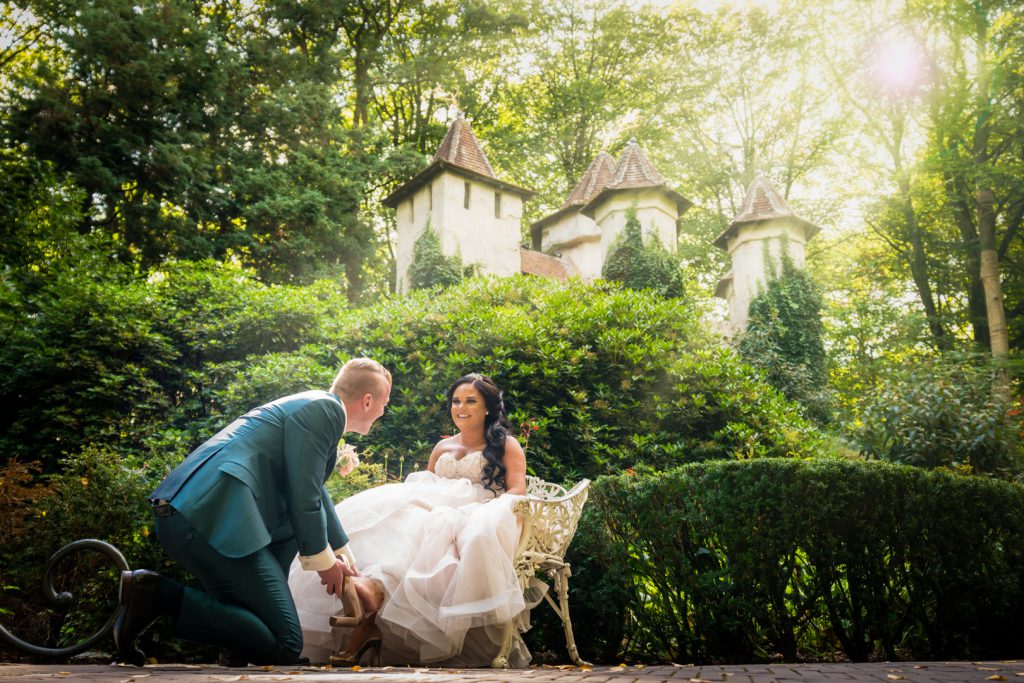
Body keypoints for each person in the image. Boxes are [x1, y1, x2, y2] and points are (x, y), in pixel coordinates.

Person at [113, 358, 392, 666]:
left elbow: (315, 491)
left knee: (267, 629)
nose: (383, 412)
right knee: (286, 644)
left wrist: (346, 560)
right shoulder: (324, 410)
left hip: (199, 518)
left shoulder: (314, 405)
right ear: (368, 401)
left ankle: (236, 646)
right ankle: (155, 595)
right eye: (385, 403)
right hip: (210, 518)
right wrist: (325, 564)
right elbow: (305, 495)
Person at [288, 373, 538, 667]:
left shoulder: (506, 445)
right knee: (402, 520)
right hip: (435, 509)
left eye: (471, 401)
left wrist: (479, 516)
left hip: (478, 513)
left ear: (488, 408)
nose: (461, 407)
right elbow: (425, 487)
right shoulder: (442, 447)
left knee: (440, 526)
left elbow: (517, 492)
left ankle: (372, 599)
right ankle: (370, 590)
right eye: (456, 401)